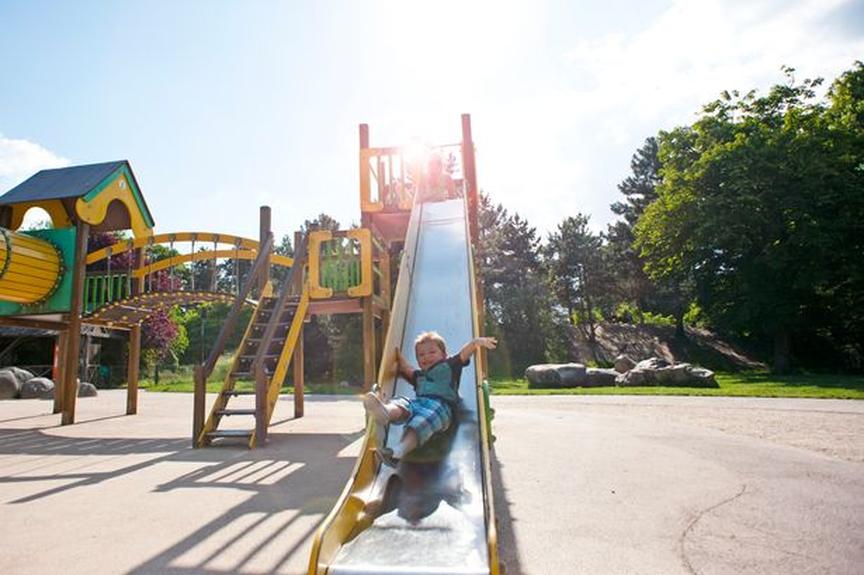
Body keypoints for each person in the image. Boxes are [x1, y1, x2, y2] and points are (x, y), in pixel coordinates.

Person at [363, 331, 497, 465]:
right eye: (421, 355)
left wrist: (476, 342)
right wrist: (397, 355)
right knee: (403, 402)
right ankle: (386, 412)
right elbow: (406, 368)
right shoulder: (419, 376)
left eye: (432, 352)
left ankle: (398, 451)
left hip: (441, 408)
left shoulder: (448, 366)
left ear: (444, 355)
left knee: (421, 421)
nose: (426, 356)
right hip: (418, 403)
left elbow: (463, 354)